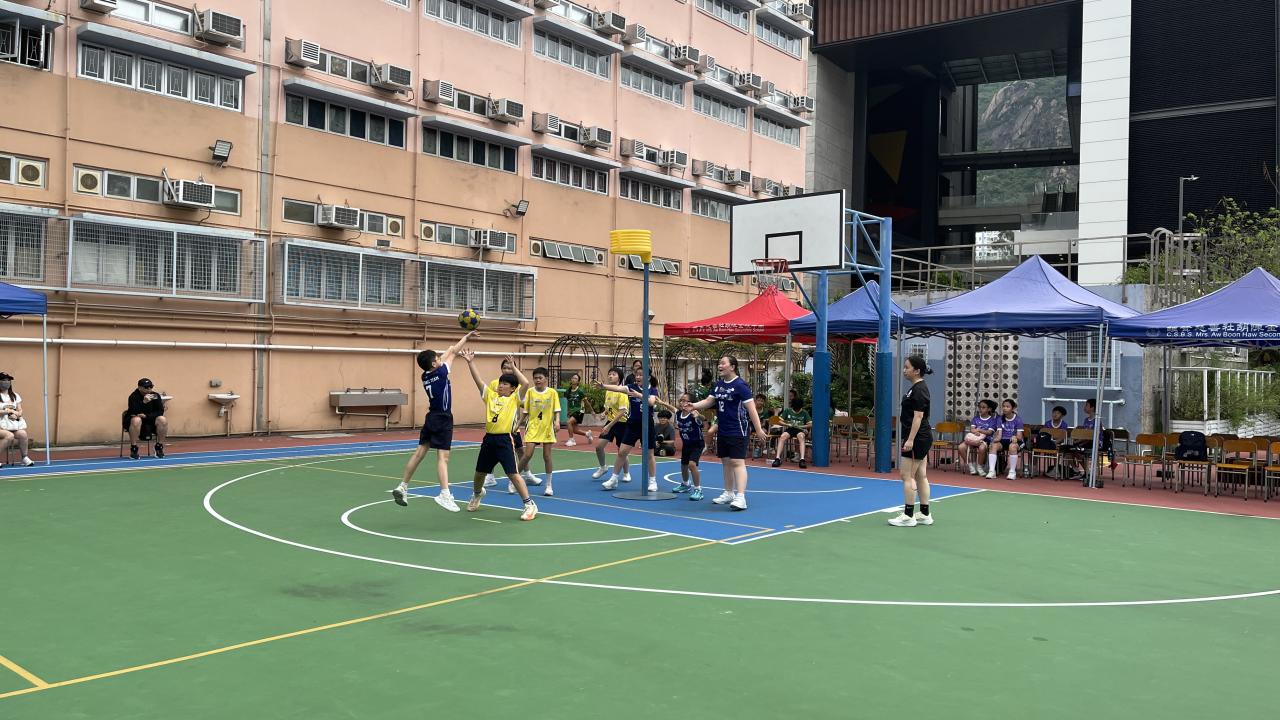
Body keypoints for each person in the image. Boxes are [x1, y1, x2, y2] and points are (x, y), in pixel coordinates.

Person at [391, 331, 475, 512]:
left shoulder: (425, 375)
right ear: (435, 364)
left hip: (431, 418)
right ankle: (445, 493)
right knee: (443, 457)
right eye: (437, 358)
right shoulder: (442, 372)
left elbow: (447, 353)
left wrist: (450, 349)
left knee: (419, 453)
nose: (440, 358)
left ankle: (403, 486)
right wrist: (466, 338)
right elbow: (453, 352)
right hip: (443, 418)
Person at [461, 349, 536, 520]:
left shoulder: (514, 399)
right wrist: (470, 362)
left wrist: (513, 367)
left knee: (513, 473)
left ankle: (529, 505)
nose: (501, 385)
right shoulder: (490, 396)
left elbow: (525, 383)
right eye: (500, 383)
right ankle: (477, 494)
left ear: (512, 389)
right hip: (489, 439)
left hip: (504, 440)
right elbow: (478, 380)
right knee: (479, 473)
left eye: (505, 384)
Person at [689, 356, 768, 511]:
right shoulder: (718, 385)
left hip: (738, 429)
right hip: (723, 429)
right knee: (725, 462)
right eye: (719, 363)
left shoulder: (741, 385)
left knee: (737, 462)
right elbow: (709, 401)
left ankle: (741, 497)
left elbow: (752, 409)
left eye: (723, 363)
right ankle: (728, 493)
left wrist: (758, 429)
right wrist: (694, 405)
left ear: (732, 367)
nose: (720, 365)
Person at [889, 357, 935, 527]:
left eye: (907, 367)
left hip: (917, 437)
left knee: (906, 475)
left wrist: (910, 440)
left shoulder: (919, 390)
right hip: (921, 437)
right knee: (920, 475)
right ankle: (924, 513)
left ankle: (908, 516)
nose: (904, 370)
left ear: (917, 371)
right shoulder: (916, 388)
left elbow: (918, 416)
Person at [599, 373, 662, 492]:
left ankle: (652, 481)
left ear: (648, 377)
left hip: (647, 425)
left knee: (649, 454)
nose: (638, 377)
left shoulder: (652, 390)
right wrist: (603, 386)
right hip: (633, 424)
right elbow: (618, 388)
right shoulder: (631, 387)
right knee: (622, 452)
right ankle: (614, 479)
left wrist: (638, 395)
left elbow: (651, 402)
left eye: (640, 375)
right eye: (636, 375)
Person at [483, 356, 537, 489]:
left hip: (513, 426)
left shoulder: (516, 385)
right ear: (501, 369)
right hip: (499, 425)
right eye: (505, 367)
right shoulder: (495, 384)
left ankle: (527, 474)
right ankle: (490, 476)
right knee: (493, 451)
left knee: (520, 450)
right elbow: (491, 401)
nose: (507, 370)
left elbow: (521, 401)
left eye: (509, 367)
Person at [519, 367, 560, 497]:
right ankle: (514, 480)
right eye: (535, 378)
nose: (537, 380)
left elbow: (556, 410)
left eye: (540, 378)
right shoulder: (530, 392)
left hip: (547, 428)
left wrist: (557, 421)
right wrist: (518, 424)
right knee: (527, 455)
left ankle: (549, 485)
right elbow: (525, 412)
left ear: (546, 378)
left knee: (547, 456)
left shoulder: (552, 392)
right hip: (533, 427)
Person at [590, 367, 631, 481]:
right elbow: (609, 408)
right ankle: (603, 467)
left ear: (619, 377)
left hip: (622, 424)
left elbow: (622, 412)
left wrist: (608, 425)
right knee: (599, 447)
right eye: (609, 374)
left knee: (621, 451)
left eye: (614, 374)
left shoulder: (622, 392)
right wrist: (604, 413)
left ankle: (626, 473)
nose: (610, 376)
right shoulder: (608, 391)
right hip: (610, 422)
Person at [671, 393, 705, 500]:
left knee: (692, 465)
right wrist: (661, 402)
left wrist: (697, 416)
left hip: (697, 444)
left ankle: (698, 490)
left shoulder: (693, 414)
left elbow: (702, 419)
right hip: (686, 444)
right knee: (684, 465)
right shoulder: (678, 414)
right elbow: (671, 408)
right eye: (681, 400)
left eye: (684, 400)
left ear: (691, 403)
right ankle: (686, 485)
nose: (682, 402)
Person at [122, 378, 167, 459]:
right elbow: (133, 411)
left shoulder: (155, 396)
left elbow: (160, 411)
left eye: (151, 386)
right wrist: (144, 402)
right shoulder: (133, 396)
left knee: (162, 419)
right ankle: (134, 448)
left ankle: (159, 446)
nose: (149, 389)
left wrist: (147, 416)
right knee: (136, 420)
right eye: (146, 387)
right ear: (140, 388)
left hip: (150, 419)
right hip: (134, 421)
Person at [0, 372, 35, 467]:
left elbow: (20, 410)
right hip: (1, 427)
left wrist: (17, 415)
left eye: (8, 380)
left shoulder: (15, 396)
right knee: (9, 436)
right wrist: (7, 411)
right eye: (3, 380)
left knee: (23, 434)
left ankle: (24, 458)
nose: (6, 382)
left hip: (11, 425)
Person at [986, 398, 1024, 480]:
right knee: (993, 446)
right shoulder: (1000, 419)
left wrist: (1015, 437)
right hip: (1003, 440)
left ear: (1013, 408)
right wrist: (993, 440)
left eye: (1007, 406)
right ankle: (992, 471)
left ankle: (1012, 472)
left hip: (1016, 441)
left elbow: (1020, 437)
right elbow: (999, 435)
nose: (1005, 408)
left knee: (1012, 446)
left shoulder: (1018, 420)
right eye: (1003, 406)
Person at [771, 397, 812, 468]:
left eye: (798, 408)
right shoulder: (787, 411)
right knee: (782, 436)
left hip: (800, 430)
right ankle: (777, 458)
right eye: (795, 408)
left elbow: (811, 424)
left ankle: (802, 460)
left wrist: (802, 426)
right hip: (790, 429)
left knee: (801, 437)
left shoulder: (804, 412)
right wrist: (787, 424)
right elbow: (778, 421)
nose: (797, 410)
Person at [963, 399, 999, 476]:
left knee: (982, 448)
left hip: (985, 440)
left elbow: (989, 432)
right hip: (973, 439)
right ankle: (971, 466)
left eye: (983, 407)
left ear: (989, 409)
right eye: (980, 407)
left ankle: (979, 467)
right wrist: (975, 432)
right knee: (961, 447)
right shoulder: (975, 418)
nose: (981, 409)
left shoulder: (992, 420)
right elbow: (972, 429)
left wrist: (979, 430)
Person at [560, 373, 594, 447]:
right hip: (572, 411)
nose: (573, 379)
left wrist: (592, 411)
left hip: (579, 411)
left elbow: (586, 402)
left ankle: (571, 440)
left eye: (575, 378)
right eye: (572, 378)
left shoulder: (580, 391)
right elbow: (568, 402)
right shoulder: (568, 391)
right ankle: (587, 434)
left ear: (578, 381)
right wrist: (568, 411)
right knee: (575, 430)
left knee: (569, 422)